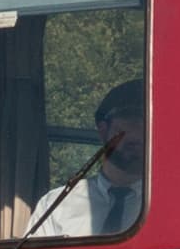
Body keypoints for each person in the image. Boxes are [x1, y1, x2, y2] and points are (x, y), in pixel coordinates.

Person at [27, 79, 148, 237]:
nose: (140, 130)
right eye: (131, 119)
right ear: (103, 131)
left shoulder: (174, 205)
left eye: (147, 122)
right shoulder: (55, 206)